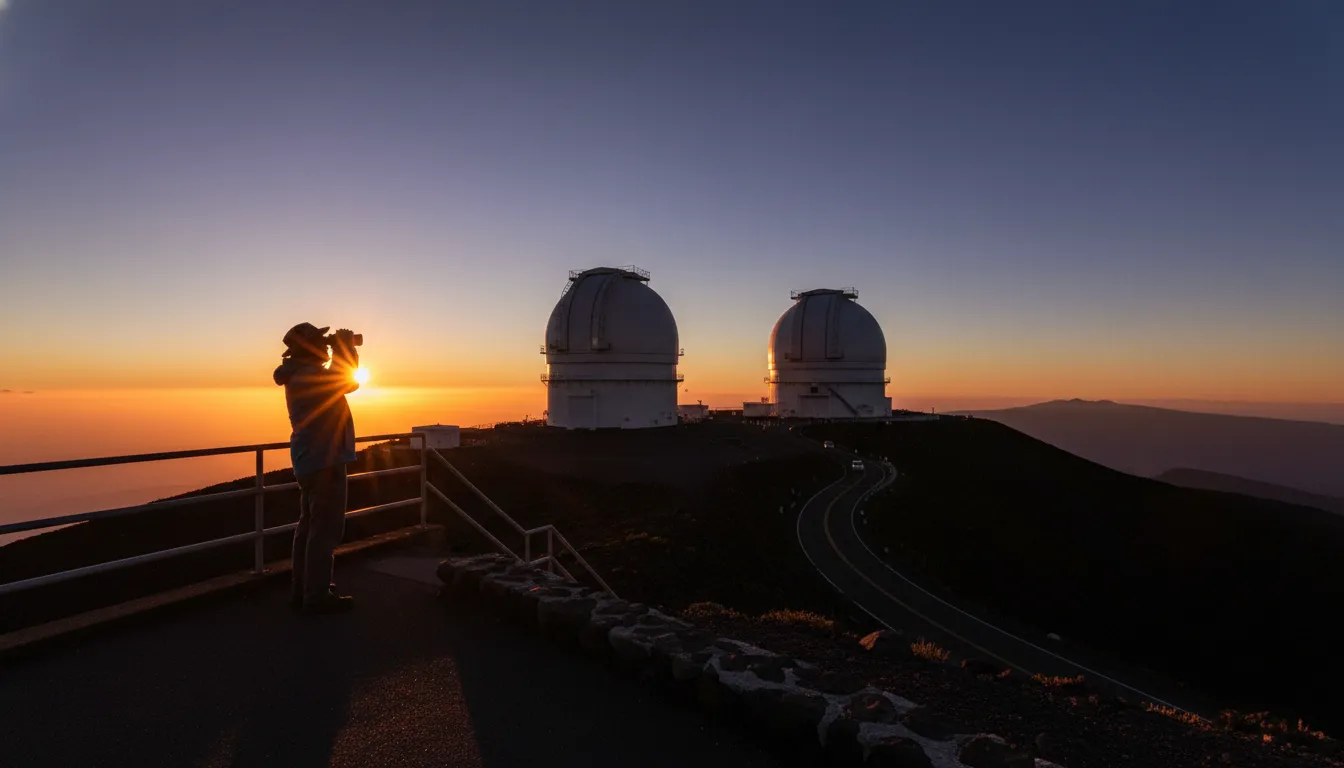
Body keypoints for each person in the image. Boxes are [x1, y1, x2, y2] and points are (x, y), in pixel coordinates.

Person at [273, 322, 361, 614]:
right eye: (321, 341)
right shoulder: (309, 375)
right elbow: (347, 382)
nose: (326, 344)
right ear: (307, 346)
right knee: (324, 531)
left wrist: (341, 349)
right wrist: (345, 348)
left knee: (309, 526)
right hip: (325, 460)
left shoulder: (298, 373)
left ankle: (305, 588)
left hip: (309, 460)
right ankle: (316, 596)